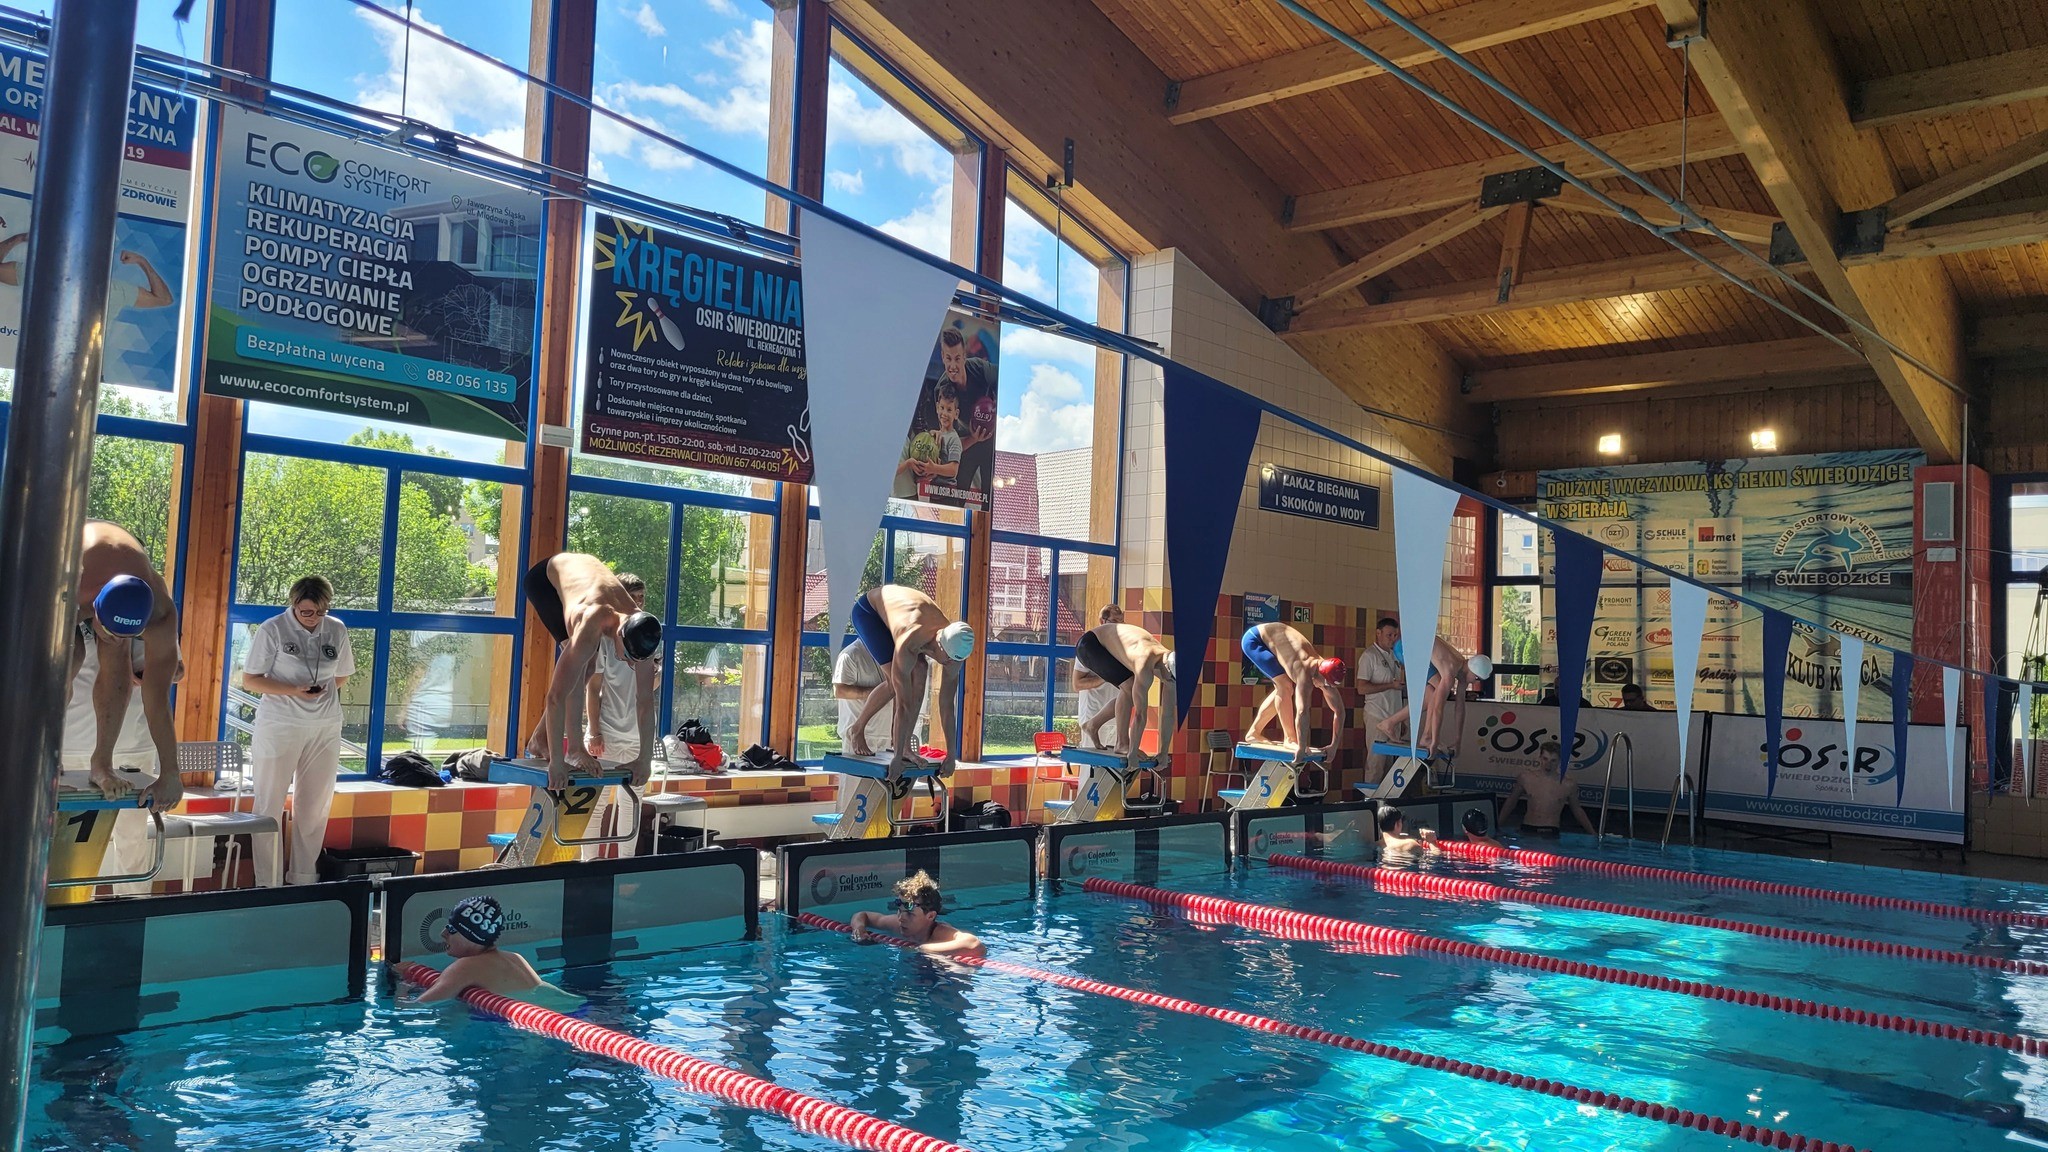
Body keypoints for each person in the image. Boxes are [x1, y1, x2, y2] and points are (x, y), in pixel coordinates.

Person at [241, 575, 356, 887]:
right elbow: (250, 680)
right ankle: (268, 881)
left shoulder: (336, 628)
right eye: (306, 612)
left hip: (325, 726)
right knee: (269, 803)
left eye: (320, 612)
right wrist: (294, 690)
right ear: (293, 605)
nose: (314, 619)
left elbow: (341, 676)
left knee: (315, 805)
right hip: (280, 725)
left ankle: (304, 876)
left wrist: (316, 695)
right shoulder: (273, 629)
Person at [523, 553, 662, 789]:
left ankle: (539, 740)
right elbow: (556, 696)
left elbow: (645, 701)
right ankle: (575, 749)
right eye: (628, 658)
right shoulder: (592, 619)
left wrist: (644, 760)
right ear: (619, 634)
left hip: (587, 578)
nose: (630, 665)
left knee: (587, 667)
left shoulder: (645, 630)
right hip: (546, 580)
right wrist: (557, 761)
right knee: (580, 669)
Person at [72, 521, 182, 809]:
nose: (111, 638)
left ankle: (102, 763)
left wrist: (171, 772)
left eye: (129, 634)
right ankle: (44, 760)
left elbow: (157, 698)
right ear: (94, 608)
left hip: (116, 578)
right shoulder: (68, 587)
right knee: (68, 657)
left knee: (116, 652)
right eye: (107, 629)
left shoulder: (161, 614)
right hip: (80, 568)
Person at [844, 585, 973, 776]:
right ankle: (857, 729)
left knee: (921, 669)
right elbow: (903, 705)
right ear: (939, 644)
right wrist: (896, 759)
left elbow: (947, 707)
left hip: (905, 615)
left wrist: (951, 756)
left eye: (955, 660)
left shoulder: (954, 654)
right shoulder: (910, 640)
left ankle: (905, 747)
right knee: (894, 685)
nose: (949, 664)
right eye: (947, 658)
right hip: (870, 613)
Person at [583, 574, 651, 859]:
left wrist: (645, 754)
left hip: (636, 737)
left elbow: (646, 696)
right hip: (608, 735)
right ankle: (589, 863)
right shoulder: (606, 637)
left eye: (641, 598)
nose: (637, 604)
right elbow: (593, 687)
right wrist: (594, 730)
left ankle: (626, 866)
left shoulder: (648, 634)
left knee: (631, 805)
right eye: (631, 597)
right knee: (594, 805)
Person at [412, 896, 577, 1007]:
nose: (443, 934)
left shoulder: (466, 966)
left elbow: (421, 1006)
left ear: (470, 936)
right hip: (571, 1010)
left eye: (452, 929)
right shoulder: (515, 958)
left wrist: (403, 990)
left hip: (542, 1025)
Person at [1074, 621, 1178, 771]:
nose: (1168, 681)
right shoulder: (1144, 662)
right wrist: (1132, 753)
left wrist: (1163, 752)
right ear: (1165, 666)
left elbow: (1168, 714)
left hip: (1113, 645)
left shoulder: (1171, 670)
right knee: (1129, 687)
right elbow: (1140, 715)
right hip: (1091, 644)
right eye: (1168, 678)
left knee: (1130, 691)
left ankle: (1093, 724)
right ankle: (1122, 743)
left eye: (1171, 680)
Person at [1241, 622, 1346, 765]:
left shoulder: (1325, 672)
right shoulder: (1304, 673)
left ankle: (1253, 732)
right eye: (1326, 684)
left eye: (1330, 685)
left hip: (1274, 637)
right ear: (1320, 674)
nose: (1326, 688)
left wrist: (1334, 746)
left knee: (1283, 685)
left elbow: (1339, 711)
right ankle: (1289, 739)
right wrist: (1301, 746)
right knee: (1285, 686)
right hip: (1255, 640)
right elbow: (1302, 711)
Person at [1373, 635, 1487, 752]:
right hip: (1407, 648)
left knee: (1431, 695)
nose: (1475, 682)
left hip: (1418, 650)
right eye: (1477, 678)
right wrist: (1435, 740)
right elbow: (1438, 708)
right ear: (1473, 671)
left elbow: (1460, 709)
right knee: (1437, 691)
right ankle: (1427, 737)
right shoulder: (1450, 671)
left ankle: (1389, 723)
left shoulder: (1463, 669)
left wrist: (1458, 741)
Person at [0, 237, 172, 312]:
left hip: (88, 368)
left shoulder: (113, 291)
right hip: (49, 363)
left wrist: (142, 261)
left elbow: (164, 299)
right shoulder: (44, 276)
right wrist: (20, 238)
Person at [849, 871, 985, 959]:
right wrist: (859, 928)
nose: (901, 917)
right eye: (899, 910)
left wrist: (921, 949)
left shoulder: (940, 933)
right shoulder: (898, 924)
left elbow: (975, 944)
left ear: (930, 916)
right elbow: (862, 915)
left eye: (909, 913)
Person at [833, 639, 929, 753]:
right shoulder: (851, 654)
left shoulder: (890, 656)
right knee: (856, 771)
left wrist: (895, 727)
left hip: (884, 734)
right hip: (859, 736)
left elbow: (895, 696)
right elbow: (840, 690)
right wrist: (876, 694)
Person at [1499, 740, 1598, 836]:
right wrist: (1497, 825)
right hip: (1527, 828)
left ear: (1560, 761)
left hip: (1550, 831)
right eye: (1545, 759)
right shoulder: (1526, 778)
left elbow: (1577, 810)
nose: (1548, 764)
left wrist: (1592, 833)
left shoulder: (1568, 784)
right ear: (1540, 758)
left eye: (1553, 761)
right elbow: (1511, 803)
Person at [1357, 618, 1406, 782]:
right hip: (1377, 716)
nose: (1393, 639)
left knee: (1391, 767)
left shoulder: (1396, 656)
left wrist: (1402, 719)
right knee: (1376, 764)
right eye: (1389, 635)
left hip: (1395, 718)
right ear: (1378, 633)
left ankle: (1387, 804)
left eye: (1395, 635)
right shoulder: (1369, 656)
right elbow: (1361, 688)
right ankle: (1370, 802)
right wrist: (1390, 685)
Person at [1072, 605, 1125, 751]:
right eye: (1114, 621)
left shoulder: (1122, 646)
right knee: (1092, 769)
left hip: (1115, 719)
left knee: (1114, 770)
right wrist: (1106, 676)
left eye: (1121, 622)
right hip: (1093, 714)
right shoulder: (1091, 647)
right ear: (1102, 621)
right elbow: (1077, 684)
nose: (1118, 626)